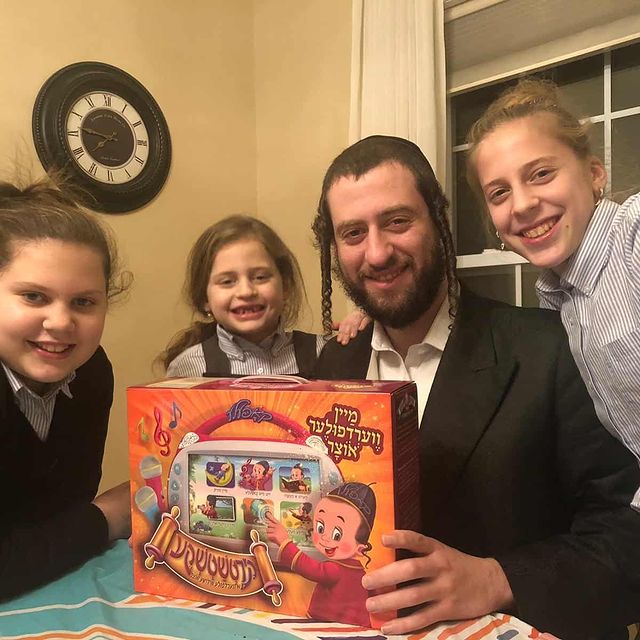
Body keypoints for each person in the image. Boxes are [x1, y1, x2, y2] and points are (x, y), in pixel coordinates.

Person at [312, 135, 640, 640]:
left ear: (438, 220)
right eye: (353, 233)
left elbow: (625, 530)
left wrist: (498, 578)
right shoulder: (333, 363)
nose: (376, 253)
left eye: (397, 221)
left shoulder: (548, 347)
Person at [465, 78, 640, 491]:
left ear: (594, 173)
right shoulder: (556, 297)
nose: (523, 204)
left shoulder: (634, 235)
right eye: (499, 193)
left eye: (541, 174)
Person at [0, 176, 132, 601]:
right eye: (34, 296)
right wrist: (109, 516)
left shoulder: (91, 372)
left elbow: (65, 510)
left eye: (83, 302)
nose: (60, 323)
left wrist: (80, 525)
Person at [161, 215, 325, 378]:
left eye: (260, 277)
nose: (246, 291)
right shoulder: (188, 368)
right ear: (205, 298)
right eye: (227, 281)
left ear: (286, 286)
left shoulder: (324, 353)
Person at [266, 482, 376, 627]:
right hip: (356, 628)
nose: (325, 537)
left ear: (360, 549)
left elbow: (310, 568)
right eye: (320, 527)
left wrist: (284, 542)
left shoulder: (336, 569)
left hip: (329, 628)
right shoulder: (361, 573)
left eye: (337, 535)